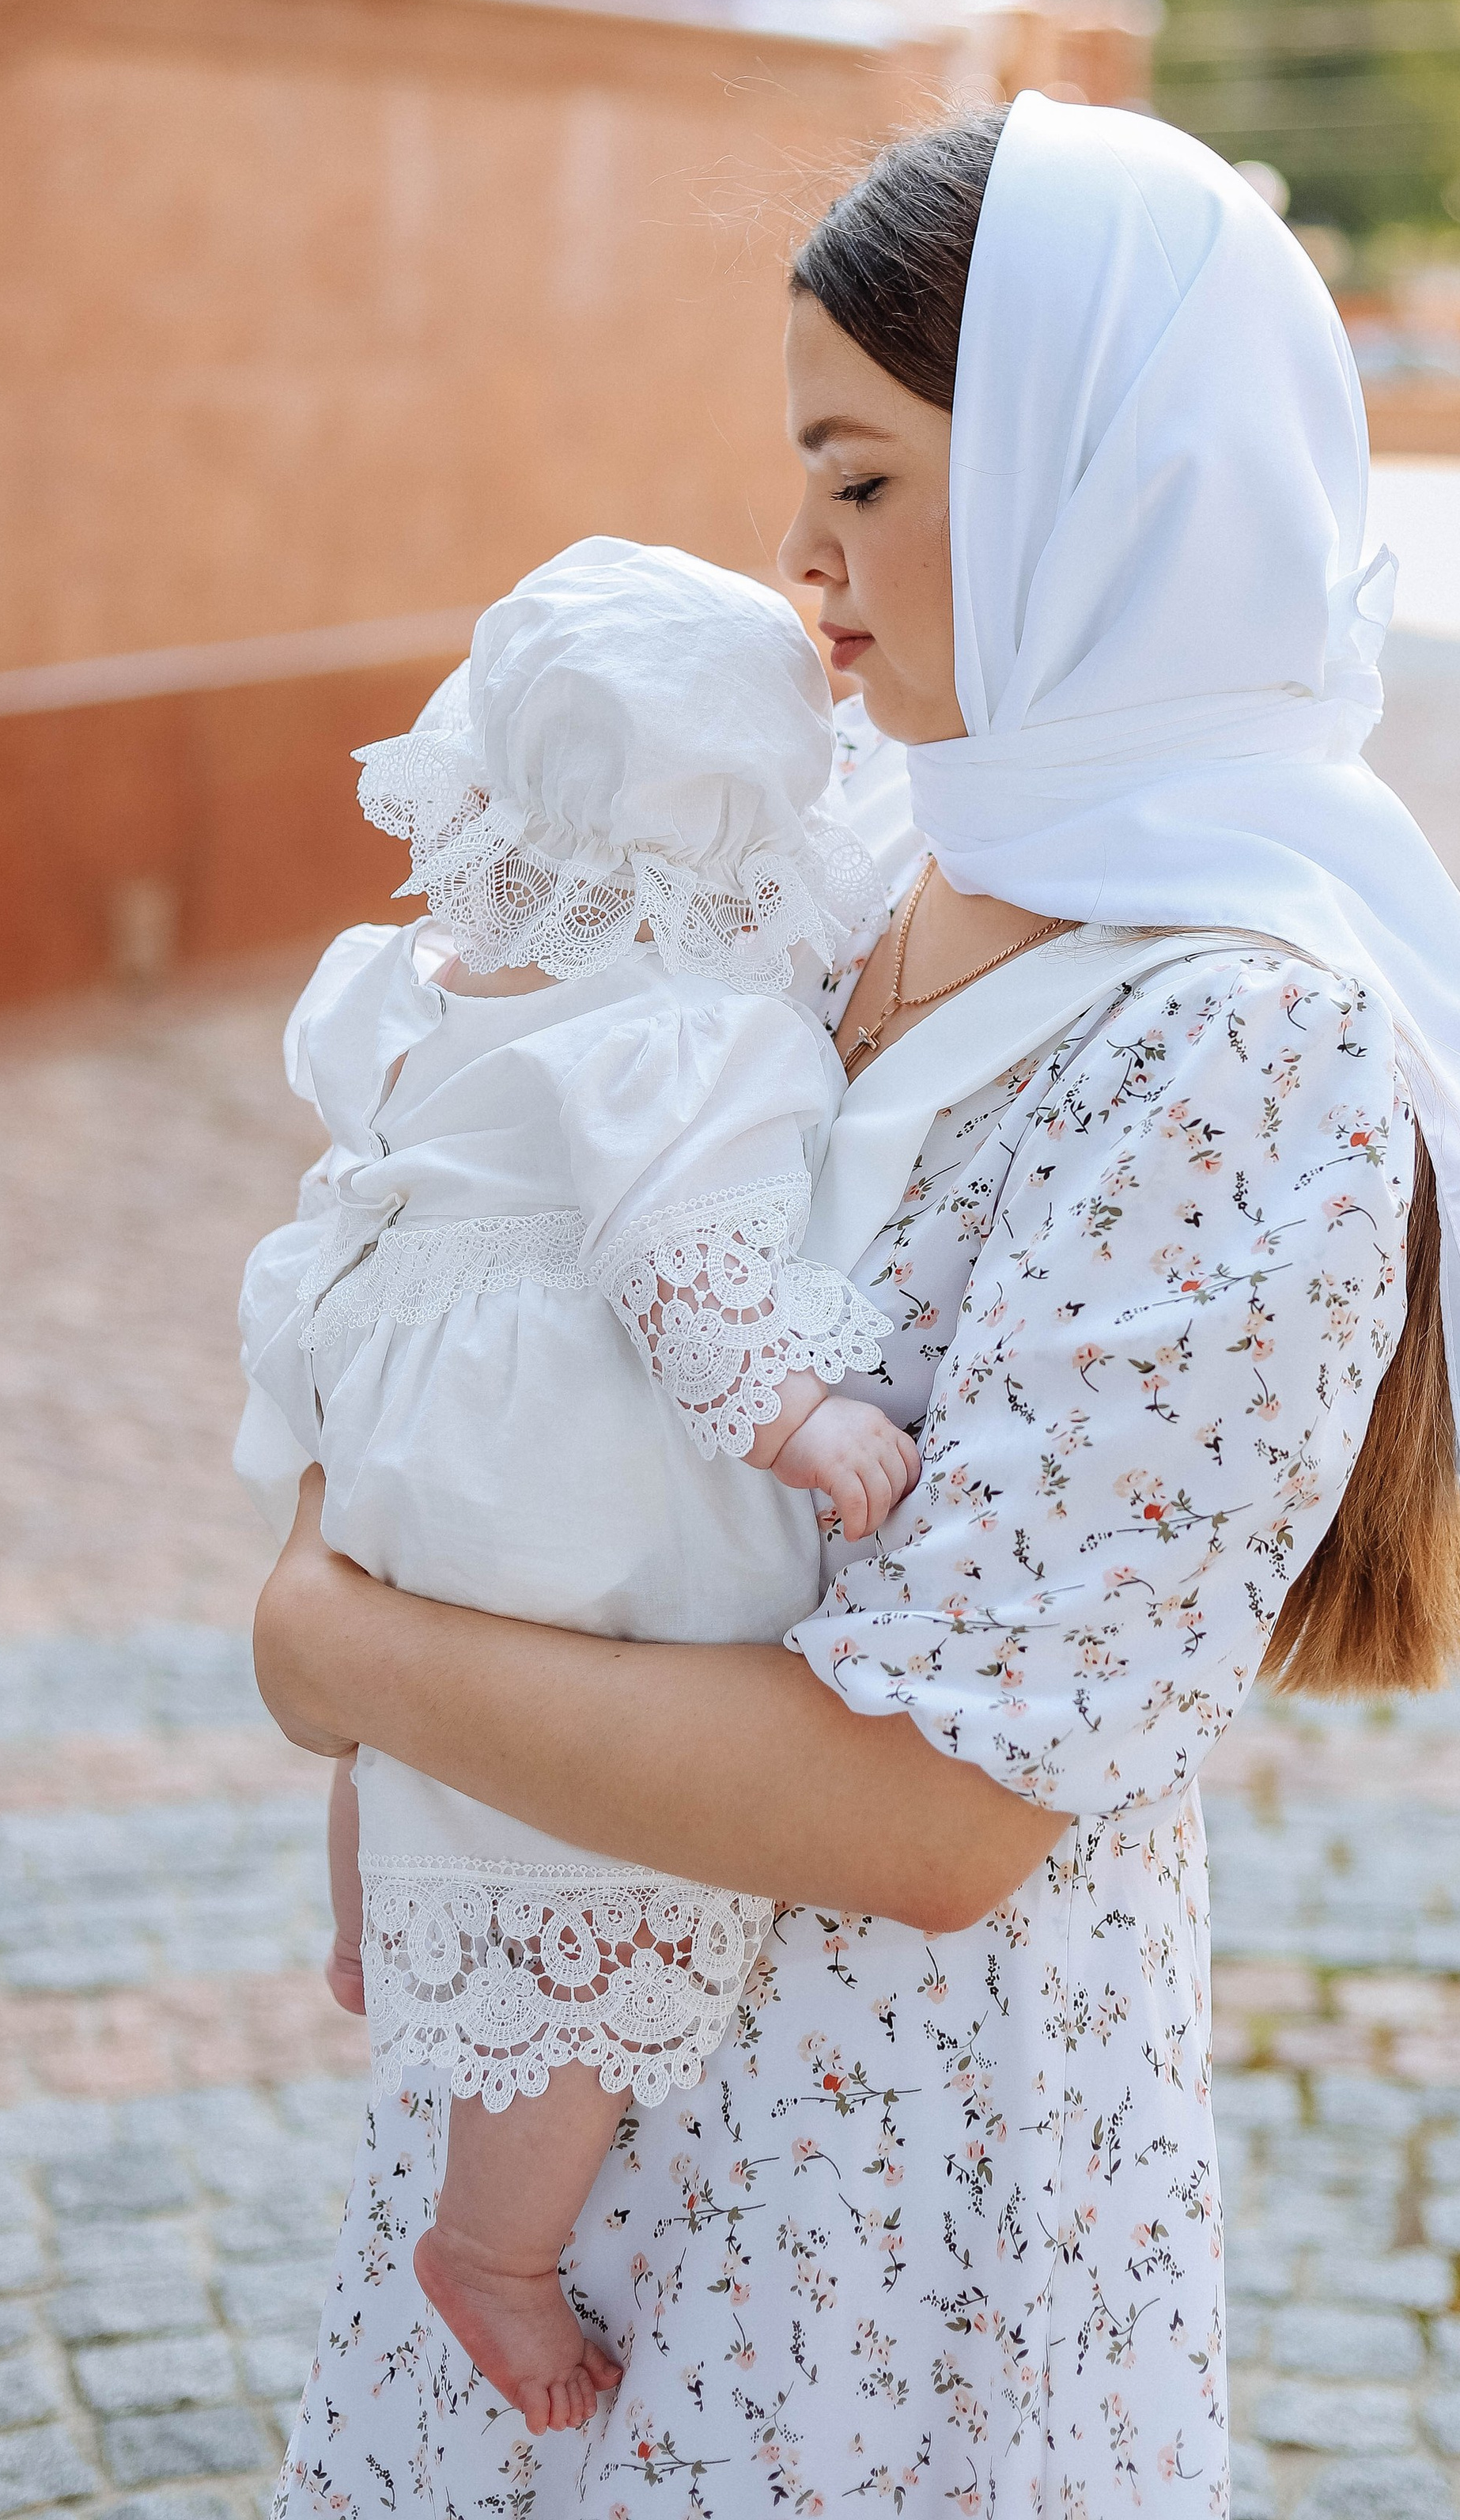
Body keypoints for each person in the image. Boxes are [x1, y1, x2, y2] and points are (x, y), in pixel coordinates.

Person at [255, 93, 1460, 2517]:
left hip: (883, 2216)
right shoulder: (859, 856)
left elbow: (941, 1810)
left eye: (862, 477)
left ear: (1103, 478)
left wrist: (346, 1655)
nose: (799, 561)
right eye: (801, 474)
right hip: (574, 2101)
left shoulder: (1242, 1047)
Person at [235, 538, 921, 2435]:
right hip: (562, 1462)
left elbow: (365, 1121)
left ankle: (384, 1918)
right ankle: (497, 2249)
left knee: (421, 1717)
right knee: (591, 1852)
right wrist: (799, 1418)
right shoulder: (689, 1028)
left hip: (392, 1417)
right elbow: (678, 1262)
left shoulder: (416, 964)